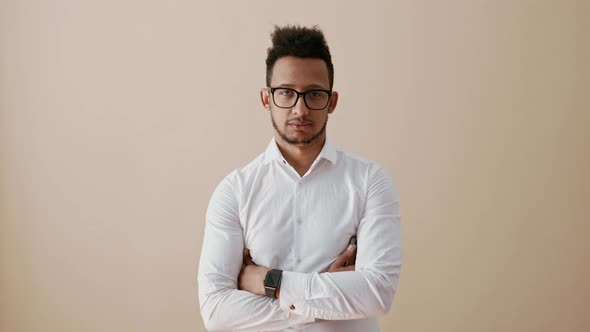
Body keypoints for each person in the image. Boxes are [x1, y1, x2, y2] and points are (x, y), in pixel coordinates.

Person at [198, 25, 402, 331]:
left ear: (332, 102)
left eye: (314, 94)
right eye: (286, 93)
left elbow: (378, 294)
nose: (300, 108)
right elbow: (215, 310)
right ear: (266, 99)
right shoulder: (235, 191)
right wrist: (326, 299)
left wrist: (270, 282)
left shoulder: (370, 182)